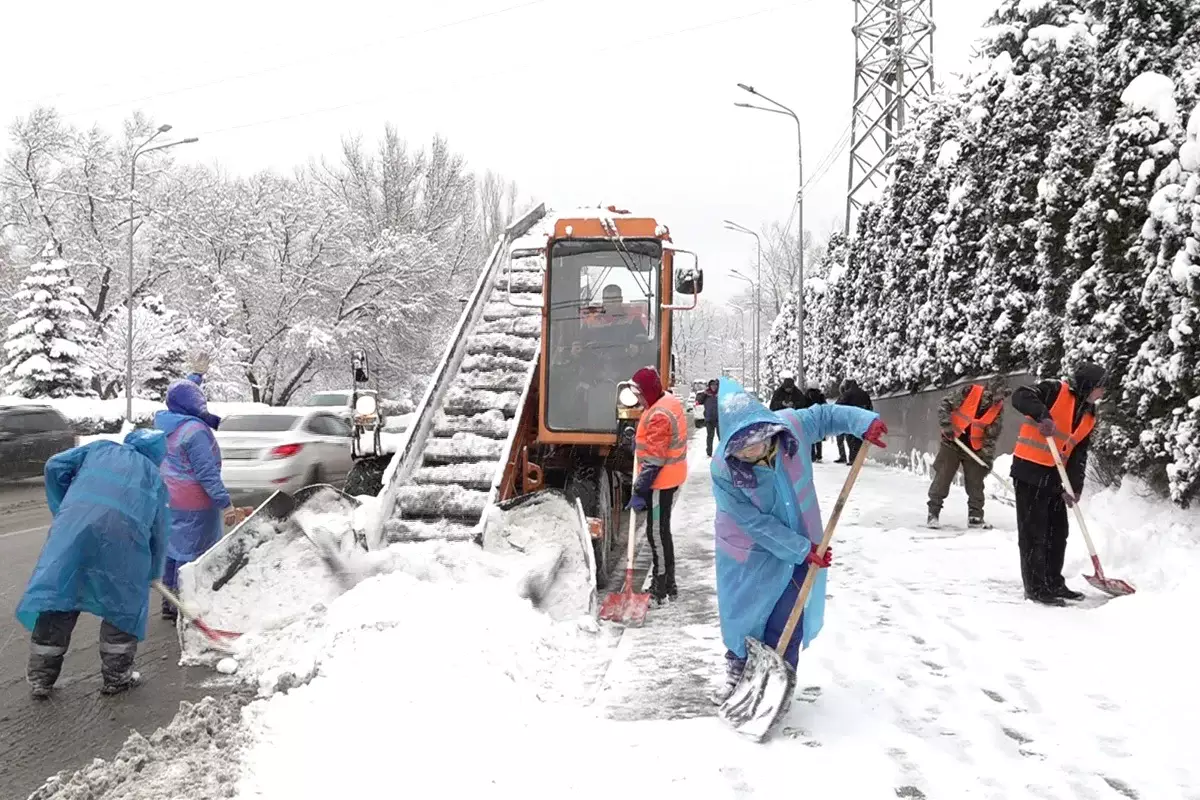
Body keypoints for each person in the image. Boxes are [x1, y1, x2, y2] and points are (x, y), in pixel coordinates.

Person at [710, 377, 887, 703]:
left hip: (801, 536)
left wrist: (862, 422)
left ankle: (779, 684)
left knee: (788, 613)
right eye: (742, 449)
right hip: (747, 547)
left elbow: (824, 417)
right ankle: (738, 672)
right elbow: (753, 522)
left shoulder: (790, 425)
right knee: (745, 615)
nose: (751, 453)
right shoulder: (724, 468)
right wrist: (801, 549)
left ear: (767, 430)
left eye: (757, 444)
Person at [16, 429, 171, 698]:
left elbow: (54, 465)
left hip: (73, 531)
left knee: (61, 597)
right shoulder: (155, 478)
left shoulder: (99, 448)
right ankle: (117, 678)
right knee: (121, 606)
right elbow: (159, 532)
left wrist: (63, 505)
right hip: (123, 544)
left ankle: (41, 680)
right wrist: (154, 571)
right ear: (158, 456)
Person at [1009, 363, 1106, 607]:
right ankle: (1035, 587)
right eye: (1100, 387)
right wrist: (1043, 414)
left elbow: (1078, 454)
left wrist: (1074, 487)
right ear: (1088, 386)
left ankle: (1053, 582)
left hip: (1056, 476)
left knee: (1057, 532)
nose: (1103, 393)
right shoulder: (1054, 390)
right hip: (1030, 470)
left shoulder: (1089, 415)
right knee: (1034, 532)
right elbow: (1020, 395)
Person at [154, 371, 238, 621]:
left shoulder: (165, 422)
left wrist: (196, 376)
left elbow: (180, 395)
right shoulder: (194, 430)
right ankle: (186, 603)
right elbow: (206, 472)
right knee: (192, 553)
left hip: (170, 495)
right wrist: (225, 503)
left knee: (173, 547)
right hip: (195, 500)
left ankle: (169, 601)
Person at [629, 366, 689, 603]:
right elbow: (652, 442)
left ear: (650, 392)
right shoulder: (664, 402)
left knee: (656, 534)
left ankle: (661, 587)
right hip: (667, 477)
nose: (638, 399)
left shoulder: (660, 414)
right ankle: (668, 583)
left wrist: (639, 489)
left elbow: (654, 460)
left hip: (661, 480)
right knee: (661, 532)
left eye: (640, 394)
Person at [927, 377, 1011, 529]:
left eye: (1001, 397)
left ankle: (975, 516)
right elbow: (945, 404)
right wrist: (947, 426)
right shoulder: (969, 392)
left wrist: (986, 458)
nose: (997, 400)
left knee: (976, 482)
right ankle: (933, 513)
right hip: (952, 442)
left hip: (974, 447)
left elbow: (991, 436)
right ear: (989, 390)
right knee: (943, 477)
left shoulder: (998, 409)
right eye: (996, 395)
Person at [836, 379, 874, 464]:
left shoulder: (848, 393)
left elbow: (839, 405)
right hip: (863, 417)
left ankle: (853, 459)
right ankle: (858, 458)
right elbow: (870, 406)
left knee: (851, 438)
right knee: (859, 439)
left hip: (852, 418)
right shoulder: (864, 393)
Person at [806, 384, 828, 461]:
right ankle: (819, 455)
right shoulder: (821, 396)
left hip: (809, 418)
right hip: (819, 419)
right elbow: (825, 406)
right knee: (819, 437)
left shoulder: (806, 395)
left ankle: (812, 456)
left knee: (811, 437)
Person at [702, 378, 720, 457]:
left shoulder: (720, 394)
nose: (713, 387)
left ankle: (721, 452)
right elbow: (699, 401)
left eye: (715, 385)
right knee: (710, 436)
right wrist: (704, 394)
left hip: (719, 419)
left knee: (721, 436)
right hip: (709, 419)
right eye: (712, 385)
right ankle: (709, 453)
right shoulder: (706, 395)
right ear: (709, 386)